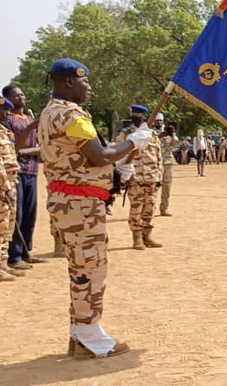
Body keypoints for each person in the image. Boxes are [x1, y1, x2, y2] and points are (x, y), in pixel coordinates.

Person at [40, 58, 152, 358]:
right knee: (91, 270)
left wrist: (116, 173)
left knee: (82, 268)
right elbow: (100, 154)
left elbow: (85, 160)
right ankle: (89, 336)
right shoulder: (67, 114)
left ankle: (81, 334)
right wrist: (132, 143)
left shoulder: (55, 112)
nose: (89, 86)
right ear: (67, 82)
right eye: (84, 81)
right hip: (79, 206)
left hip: (75, 201)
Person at [2, 85, 47, 270]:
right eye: (17, 95)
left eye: (22, 93)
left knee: (30, 213)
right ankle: (15, 255)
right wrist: (29, 129)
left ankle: (27, 252)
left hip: (32, 169)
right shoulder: (8, 119)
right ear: (8, 99)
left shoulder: (29, 117)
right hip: (16, 171)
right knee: (17, 214)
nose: (22, 97)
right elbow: (14, 147)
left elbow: (40, 146)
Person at [126, 104, 163, 250]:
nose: (137, 119)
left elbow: (158, 157)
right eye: (134, 116)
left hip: (152, 178)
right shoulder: (127, 135)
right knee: (136, 208)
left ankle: (147, 236)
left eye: (140, 117)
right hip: (135, 179)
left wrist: (159, 176)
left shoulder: (152, 136)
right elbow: (121, 158)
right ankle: (136, 238)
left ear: (144, 118)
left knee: (150, 208)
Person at [0, 96, 25, 281]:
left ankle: (3, 264)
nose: (7, 113)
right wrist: (5, 187)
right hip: (3, 188)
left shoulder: (4, 132)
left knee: (6, 228)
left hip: (10, 185)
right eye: (3, 110)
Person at [156, 115, 178, 216]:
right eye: (157, 121)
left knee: (167, 186)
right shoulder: (151, 132)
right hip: (154, 162)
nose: (158, 122)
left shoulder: (169, 131)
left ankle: (164, 208)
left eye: (160, 120)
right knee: (153, 186)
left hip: (167, 162)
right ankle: (149, 209)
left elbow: (175, 145)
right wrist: (159, 135)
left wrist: (172, 134)